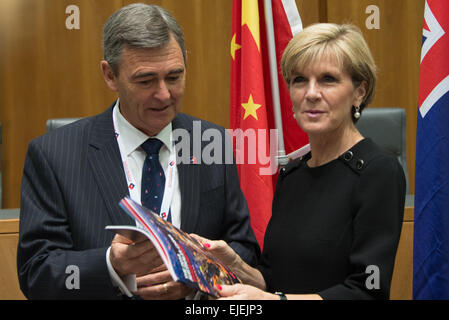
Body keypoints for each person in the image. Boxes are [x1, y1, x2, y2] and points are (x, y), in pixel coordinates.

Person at [17, 3, 259, 300]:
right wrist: (111, 265)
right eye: (145, 81)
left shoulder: (212, 141)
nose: (164, 94)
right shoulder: (54, 155)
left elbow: (243, 248)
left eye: (174, 76)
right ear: (110, 75)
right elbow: (36, 273)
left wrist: (201, 277)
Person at [194, 23, 406, 300]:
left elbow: (368, 290)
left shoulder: (379, 172)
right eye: (300, 80)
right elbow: (274, 278)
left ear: (359, 92)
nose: (311, 93)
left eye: (328, 79)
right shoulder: (292, 174)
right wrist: (235, 265)